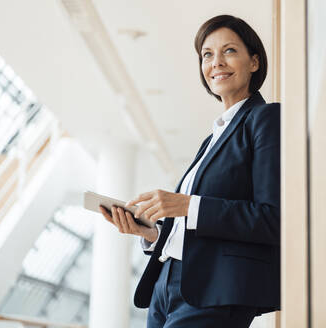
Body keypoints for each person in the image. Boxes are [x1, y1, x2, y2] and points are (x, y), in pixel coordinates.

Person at [99, 15, 280, 328]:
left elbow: (272, 218)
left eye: (229, 51)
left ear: (254, 62)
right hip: (167, 285)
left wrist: (186, 205)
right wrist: (151, 234)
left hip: (215, 290)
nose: (216, 62)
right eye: (207, 55)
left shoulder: (266, 119)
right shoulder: (213, 138)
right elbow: (198, 229)